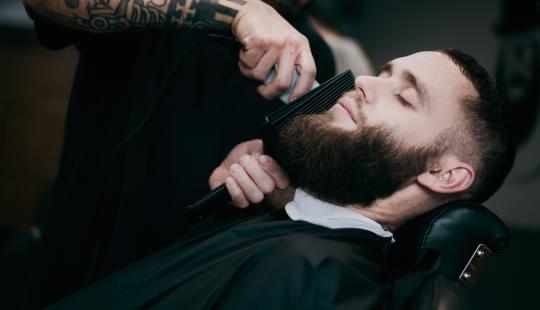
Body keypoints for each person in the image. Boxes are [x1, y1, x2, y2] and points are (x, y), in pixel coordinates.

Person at [22, 0, 365, 306]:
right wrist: (237, 9)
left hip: (190, 283)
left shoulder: (310, 54)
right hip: (76, 262)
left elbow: (298, 192)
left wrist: (268, 184)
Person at [48, 49, 515, 309]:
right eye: (382, 73)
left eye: (406, 98)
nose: (363, 82)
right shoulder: (288, 227)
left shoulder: (315, 277)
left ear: (445, 173)